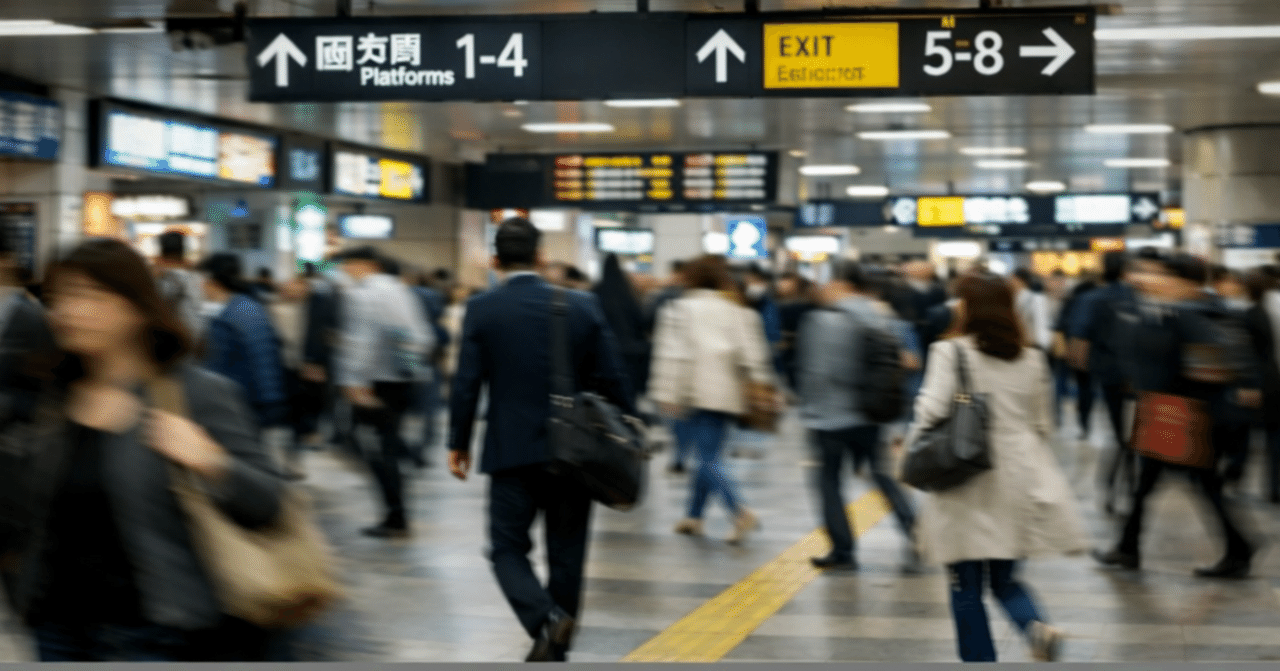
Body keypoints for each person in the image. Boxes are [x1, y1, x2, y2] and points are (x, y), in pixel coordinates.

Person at [0, 238, 282, 661]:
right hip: (56, 627)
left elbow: (268, 503)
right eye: (57, 297)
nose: (65, 311)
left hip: (156, 633)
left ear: (135, 306)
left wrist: (208, 459)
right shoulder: (51, 398)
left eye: (88, 296)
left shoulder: (197, 393)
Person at [448, 218, 632, 662]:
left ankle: (545, 621)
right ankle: (557, 644)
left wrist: (459, 442)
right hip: (576, 454)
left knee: (507, 548)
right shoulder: (582, 306)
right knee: (567, 554)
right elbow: (613, 379)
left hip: (510, 450)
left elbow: (467, 382)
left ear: (494, 261)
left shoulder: (483, 308)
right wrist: (625, 429)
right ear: (542, 257)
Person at [908, 271, 1088, 663]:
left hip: (964, 475)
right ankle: (1036, 627)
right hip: (1019, 475)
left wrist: (910, 452)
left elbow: (931, 412)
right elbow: (1043, 424)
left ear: (967, 307)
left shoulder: (950, 352)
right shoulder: (1032, 358)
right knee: (1005, 579)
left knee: (964, 585)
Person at [1093, 253, 1258, 578]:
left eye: (1162, 276)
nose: (1155, 282)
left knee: (1197, 484)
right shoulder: (1214, 308)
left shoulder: (1185, 314)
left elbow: (1215, 356)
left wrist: (1183, 387)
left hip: (1183, 415)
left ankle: (1239, 548)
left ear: (1184, 282)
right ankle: (1128, 547)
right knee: (1154, 483)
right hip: (1184, 412)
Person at [797, 261, 918, 572]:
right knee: (881, 475)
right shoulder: (881, 314)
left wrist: (807, 405)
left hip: (830, 417)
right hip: (871, 413)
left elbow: (818, 372)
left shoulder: (823, 319)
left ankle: (843, 550)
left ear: (842, 285)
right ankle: (915, 530)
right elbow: (900, 360)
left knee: (829, 481)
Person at [649, 255, 771, 544]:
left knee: (707, 458)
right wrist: (762, 386)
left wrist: (665, 392)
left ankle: (739, 511)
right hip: (728, 393)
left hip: (693, 392)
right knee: (709, 454)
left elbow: (671, 355)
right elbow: (753, 354)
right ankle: (693, 516)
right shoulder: (736, 310)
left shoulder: (679, 309)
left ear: (690, 278)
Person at [333, 247, 434, 538]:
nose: (345, 270)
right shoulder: (400, 291)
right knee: (386, 444)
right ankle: (397, 509)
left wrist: (353, 380)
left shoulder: (365, 294)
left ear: (368, 265)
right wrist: (412, 372)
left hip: (376, 383)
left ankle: (395, 515)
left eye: (349, 264)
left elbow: (361, 341)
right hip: (400, 381)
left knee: (376, 448)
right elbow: (417, 337)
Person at [1067, 251, 1139, 515]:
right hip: (1142, 378)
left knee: (1121, 435)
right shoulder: (1138, 297)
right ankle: (1128, 487)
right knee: (1132, 437)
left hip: (1110, 376)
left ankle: (1112, 489)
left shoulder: (1090, 299)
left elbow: (1079, 342)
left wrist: (1082, 371)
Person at [197, 253, 290, 434]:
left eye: (201, 280)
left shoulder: (230, 317)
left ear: (212, 282)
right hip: (262, 400)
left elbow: (219, 369)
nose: (199, 286)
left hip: (245, 404)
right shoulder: (249, 305)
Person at [593, 254, 650, 407]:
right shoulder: (627, 292)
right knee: (628, 399)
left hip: (604, 354)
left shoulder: (596, 291)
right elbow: (640, 321)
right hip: (630, 355)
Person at [152, 231, 205, 342]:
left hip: (175, 340)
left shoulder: (163, 279)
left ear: (161, 253)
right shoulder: (197, 276)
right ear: (183, 251)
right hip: (198, 336)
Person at [1012, 268, 1052, 351]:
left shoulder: (1036, 298)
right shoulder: (1013, 297)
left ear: (1018, 280)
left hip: (1033, 346)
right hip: (1019, 345)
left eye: (1012, 279)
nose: (1010, 282)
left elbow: (1041, 323)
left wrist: (1041, 346)